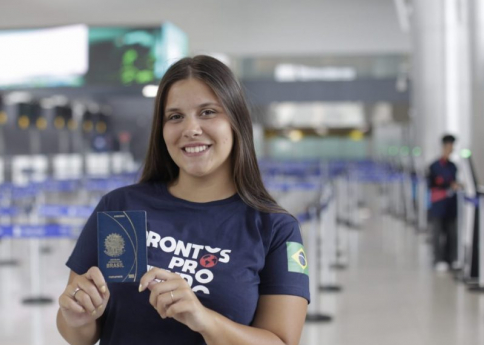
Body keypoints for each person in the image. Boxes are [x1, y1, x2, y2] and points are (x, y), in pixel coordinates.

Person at [56, 55, 310, 345]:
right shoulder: (121, 208)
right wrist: (78, 318)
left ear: (236, 121)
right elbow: (79, 333)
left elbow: (281, 341)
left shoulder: (274, 228)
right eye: (175, 116)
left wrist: (204, 319)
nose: (190, 129)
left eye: (208, 112)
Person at [427, 134, 460, 271]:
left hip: (451, 204)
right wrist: (448, 185)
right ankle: (438, 259)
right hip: (438, 204)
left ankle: (450, 258)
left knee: (451, 233)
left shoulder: (453, 166)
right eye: (448, 146)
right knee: (437, 233)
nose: (450, 149)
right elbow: (434, 183)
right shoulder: (434, 166)